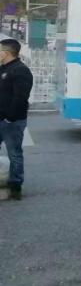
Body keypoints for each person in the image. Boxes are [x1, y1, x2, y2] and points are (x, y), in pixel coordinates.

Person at [0, 38, 34, 201]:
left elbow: (20, 98)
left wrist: (9, 118)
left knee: (14, 153)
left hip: (11, 121)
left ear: (6, 53)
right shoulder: (3, 68)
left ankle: (15, 185)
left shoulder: (21, 70)